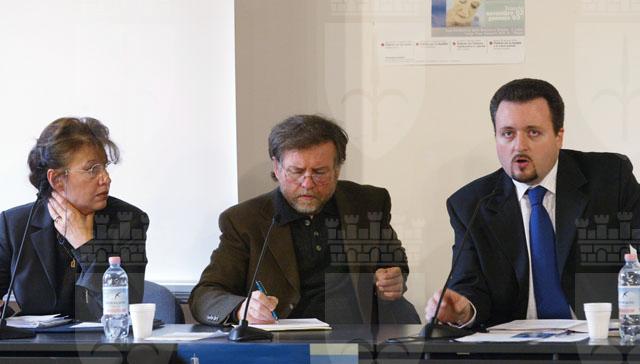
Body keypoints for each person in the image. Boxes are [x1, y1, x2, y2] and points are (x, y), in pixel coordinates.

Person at [426, 79, 640, 328]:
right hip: (514, 344)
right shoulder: (471, 204)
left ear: (559, 136)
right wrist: (463, 312)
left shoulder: (609, 178)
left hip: (598, 338)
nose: (519, 146)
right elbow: (469, 285)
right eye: (508, 133)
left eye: (533, 132)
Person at [189, 114, 419, 325]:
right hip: (284, 343)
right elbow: (205, 296)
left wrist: (394, 280)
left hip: (357, 339)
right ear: (277, 168)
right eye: (296, 172)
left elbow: (395, 266)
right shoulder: (245, 220)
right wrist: (242, 309)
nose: (307, 184)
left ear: (337, 170)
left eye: (319, 172)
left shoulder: (367, 204)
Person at [0, 117, 149, 321]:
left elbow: (127, 307)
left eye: (104, 166)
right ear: (57, 179)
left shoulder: (128, 221)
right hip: (37, 342)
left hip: (104, 340)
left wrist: (85, 244)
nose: (106, 178)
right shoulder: (14, 225)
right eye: (92, 169)